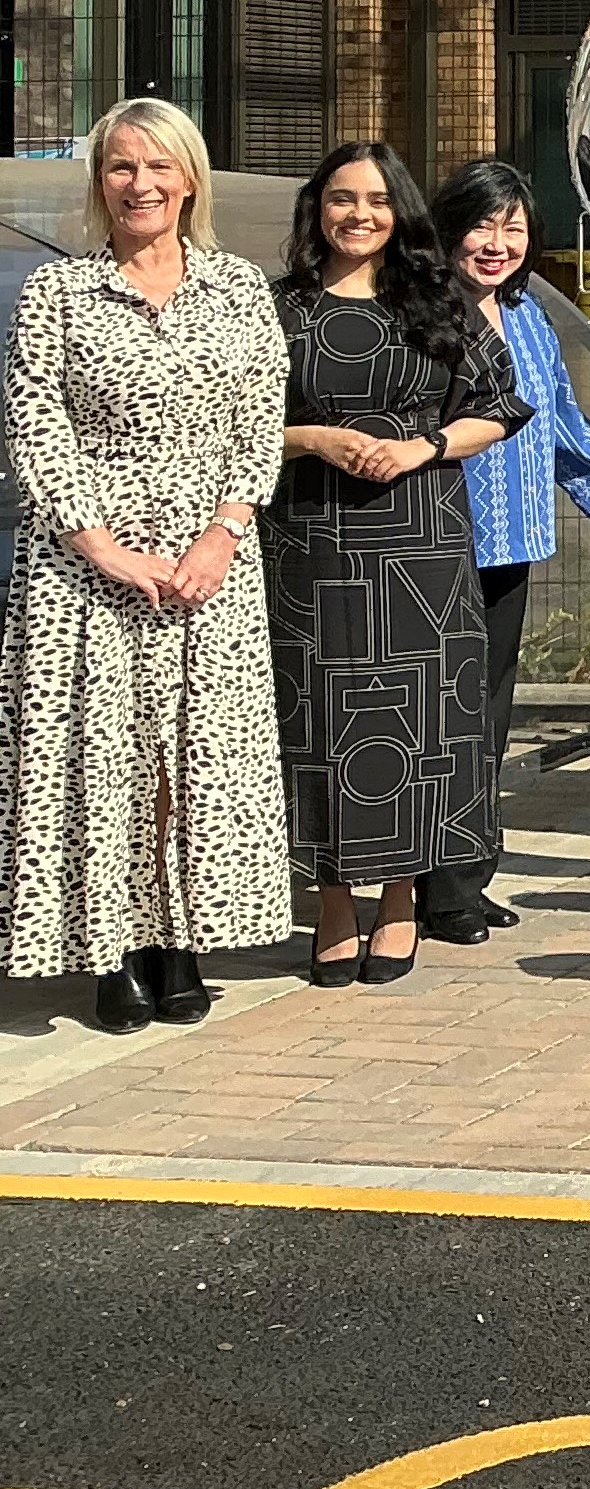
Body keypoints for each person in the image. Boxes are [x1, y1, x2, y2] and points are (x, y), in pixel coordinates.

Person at [0, 100, 293, 1034]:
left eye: (160, 166)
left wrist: (223, 533)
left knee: (199, 761)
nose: (141, 185)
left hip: (211, 564)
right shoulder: (58, 292)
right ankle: (112, 951)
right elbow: (35, 425)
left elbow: (260, 423)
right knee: (101, 757)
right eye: (122, 167)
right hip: (84, 569)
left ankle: (183, 944)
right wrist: (100, 545)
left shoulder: (239, 290)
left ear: (190, 179)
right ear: (100, 182)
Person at [268, 143, 529, 989]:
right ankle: (333, 901)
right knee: (321, 722)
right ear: (317, 208)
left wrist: (425, 446)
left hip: (421, 546)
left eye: (377, 200)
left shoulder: (437, 298)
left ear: (400, 212)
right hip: (311, 545)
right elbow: (230, 421)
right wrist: (312, 437)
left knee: (422, 723)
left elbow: (500, 406)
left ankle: (403, 898)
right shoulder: (278, 308)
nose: (359, 215)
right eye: (342, 198)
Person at [427, 157, 590, 942]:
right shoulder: (422, 312)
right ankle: (435, 885)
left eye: (513, 228)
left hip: (510, 544)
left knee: (488, 716)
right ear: (450, 229)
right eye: (482, 225)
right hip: (432, 548)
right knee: (438, 716)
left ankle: (469, 871)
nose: (497, 243)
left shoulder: (528, 316)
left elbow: (562, 425)